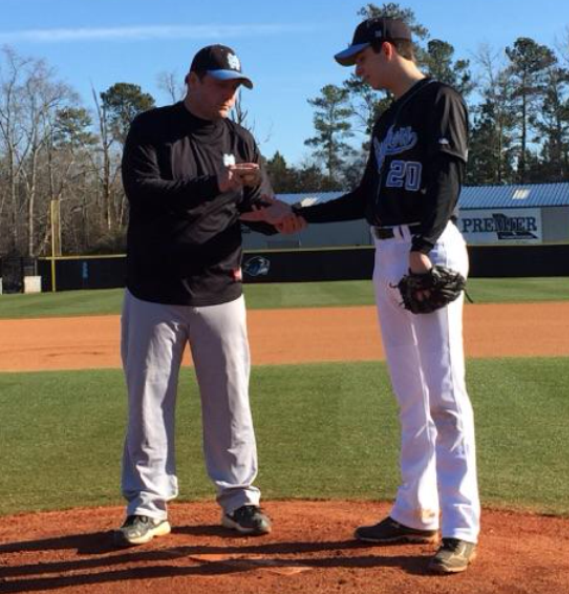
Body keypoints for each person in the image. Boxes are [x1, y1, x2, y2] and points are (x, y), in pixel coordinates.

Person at [243, 17, 480, 574]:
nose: (358, 71)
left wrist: (422, 244)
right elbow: (364, 197)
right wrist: (295, 215)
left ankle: (460, 525)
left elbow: (449, 175)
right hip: (387, 253)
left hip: (429, 249)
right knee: (410, 395)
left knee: (445, 394)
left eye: (362, 60)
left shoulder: (437, 99)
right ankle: (415, 511)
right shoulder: (386, 117)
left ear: (387, 48)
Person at [115, 44, 279, 547]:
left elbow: (256, 205)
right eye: (221, 83)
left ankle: (239, 499)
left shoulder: (240, 139)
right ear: (192, 80)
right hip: (154, 290)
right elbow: (142, 191)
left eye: (236, 85)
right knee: (148, 401)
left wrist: (279, 219)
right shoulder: (151, 128)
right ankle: (148, 505)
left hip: (220, 289)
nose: (229, 93)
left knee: (231, 400)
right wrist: (213, 183)